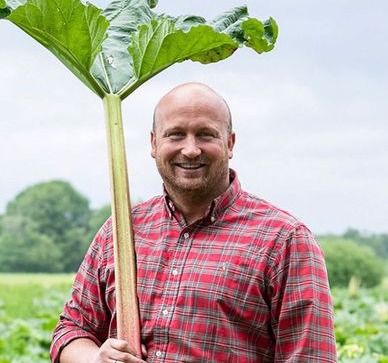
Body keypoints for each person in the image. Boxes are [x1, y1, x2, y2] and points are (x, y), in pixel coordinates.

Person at [50, 83, 336, 362]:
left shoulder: (285, 240)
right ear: (154, 143)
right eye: (175, 135)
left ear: (230, 143)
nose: (190, 149)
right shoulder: (121, 230)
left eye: (205, 135)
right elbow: (72, 329)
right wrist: (95, 358)